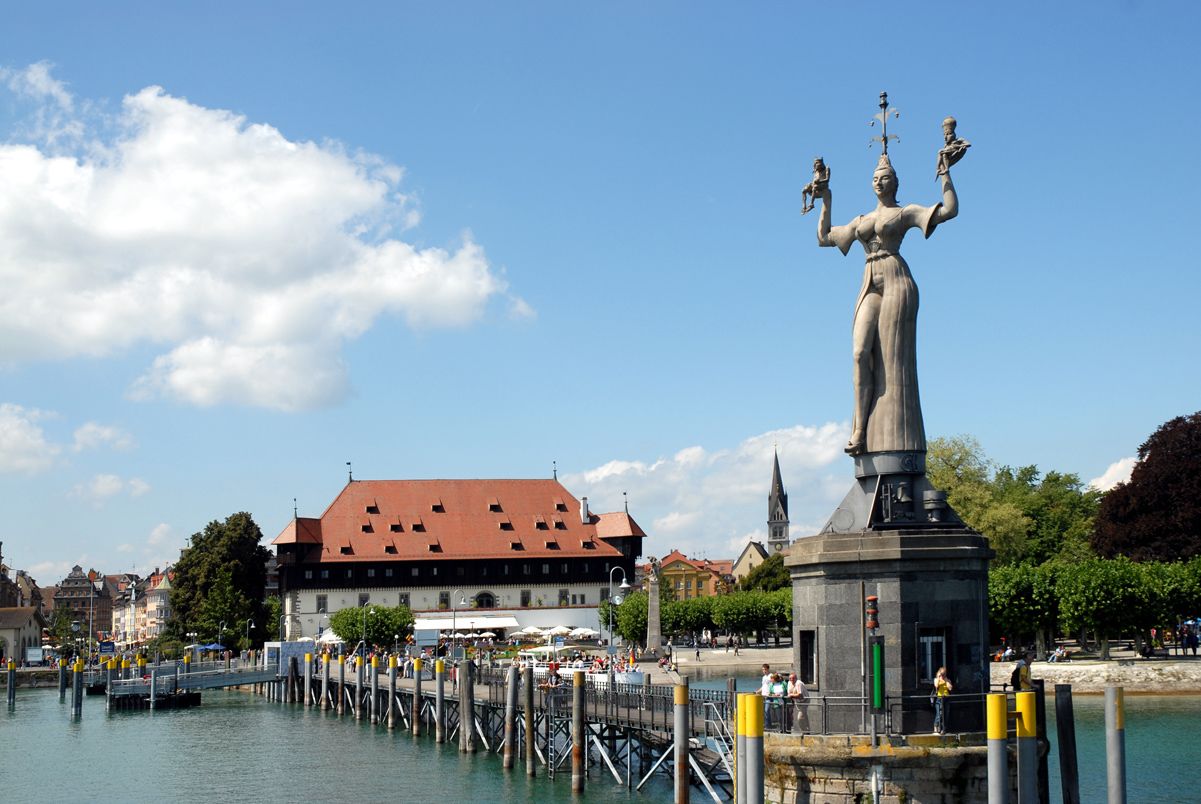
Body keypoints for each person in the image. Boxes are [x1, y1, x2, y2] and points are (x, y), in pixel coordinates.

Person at [815, 139, 959, 456]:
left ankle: (888, 433)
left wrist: (945, 172)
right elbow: (825, 238)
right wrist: (826, 197)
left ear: (896, 182)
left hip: (896, 277)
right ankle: (859, 428)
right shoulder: (862, 220)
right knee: (858, 353)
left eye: (886, 178)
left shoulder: (904, 212)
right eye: (876, 178)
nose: (880, 182)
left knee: (894, 361)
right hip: (869, 279)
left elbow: (949, 210)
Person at [932, 666, 952, 734]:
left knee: (946, 714)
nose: (943, 675)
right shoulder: (936, 679)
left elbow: (950, 688)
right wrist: (939, 678)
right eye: (942, 674)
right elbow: (936, 686)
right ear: (939, 673)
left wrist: (946, 681)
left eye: (944, 674)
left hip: (946, 698)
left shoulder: (947, 680)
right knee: (939, 714)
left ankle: (944, 729)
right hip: (939, 698)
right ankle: (936, 727)